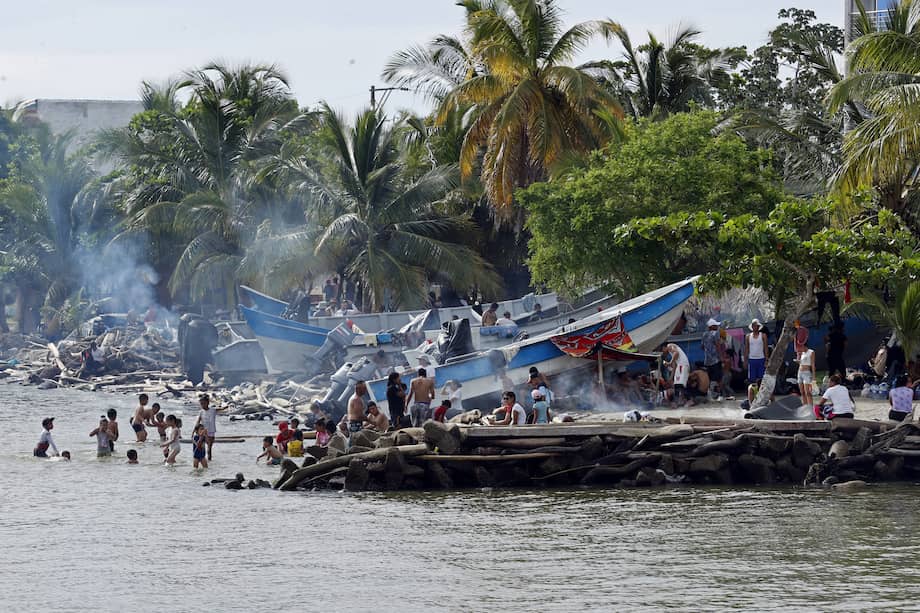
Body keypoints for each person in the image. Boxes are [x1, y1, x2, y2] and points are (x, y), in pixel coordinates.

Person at [701, 318, 724, 397]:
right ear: (711, 326)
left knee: (710, 378)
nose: (717, 327)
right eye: (715, 325)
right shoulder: (716, 333)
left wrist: (708, 351)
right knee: (718, 378)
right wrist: (721, 357)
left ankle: (710, 394)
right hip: (715, 360)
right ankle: (718, 394)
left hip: (707, 361)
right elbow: (718, 346)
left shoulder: (704, 334)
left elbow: (702, 347)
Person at [745, 319, 769, 383]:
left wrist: (766, 359)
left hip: (761, 359)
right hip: (751, 359)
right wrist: (745, 360)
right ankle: (753, 392)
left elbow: (766, 348)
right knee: (752, 379)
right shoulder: (748, 336)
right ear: (752, 326)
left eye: (757, 326)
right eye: (754, 326)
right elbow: (747, 349)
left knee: (761, 378)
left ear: (759, 327)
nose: (756, 327)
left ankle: (760, 392)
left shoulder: (763, 335)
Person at [194, 394, 217, 461]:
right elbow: (198, 421)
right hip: (203, 432)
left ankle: (209, 461)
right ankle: (201, 459)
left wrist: (227, 407)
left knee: (209, 448)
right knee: (201, 446)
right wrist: (195, 430)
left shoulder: (213, 410)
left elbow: (220, 409)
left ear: (208, 403)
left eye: (203, 404)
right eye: (201, 404)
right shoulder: (201, 412)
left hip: (211, 432)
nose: (202, 405)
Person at [798, 341, 816, 407]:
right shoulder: (802, 353)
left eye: (801, 347)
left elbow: (813, 364)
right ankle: (805, 406)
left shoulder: (811, 352)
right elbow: (801, 363)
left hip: (806, 372)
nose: (800, 349)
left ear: (804, 346)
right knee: (802, 392)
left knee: (807, 392)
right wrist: (798, 359)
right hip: (800, 372)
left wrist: (814, 376)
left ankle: (810, 407)